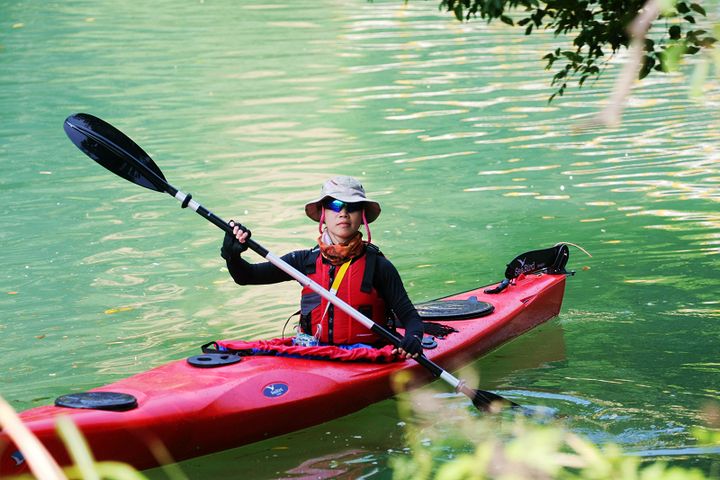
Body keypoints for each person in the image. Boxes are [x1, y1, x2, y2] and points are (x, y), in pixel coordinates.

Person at [221, 175, 424, 359]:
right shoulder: (303, 261)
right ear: (323, 214)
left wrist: (413, 338)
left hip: (367, 356)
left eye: (352, 206)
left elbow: (410, 318)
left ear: (362, 216)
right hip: (314, 354)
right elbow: (246, 276)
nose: (343, 213)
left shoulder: (379, 266)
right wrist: (232, 255)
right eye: (335, 205)